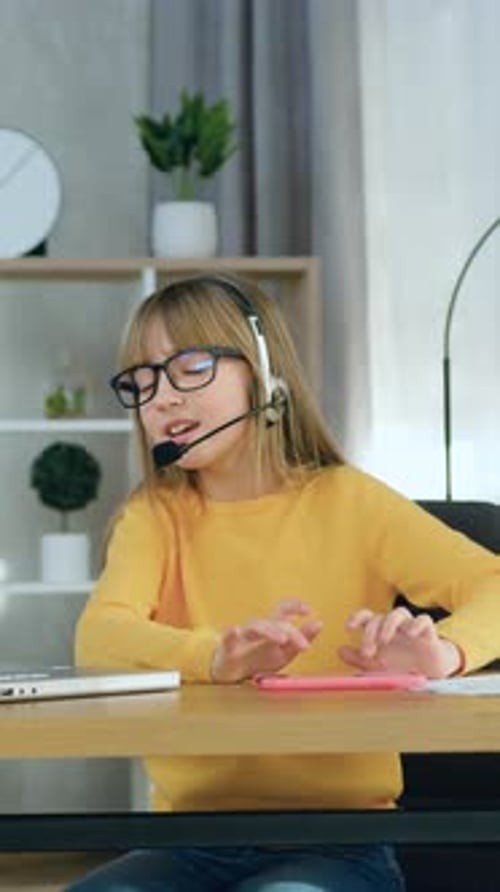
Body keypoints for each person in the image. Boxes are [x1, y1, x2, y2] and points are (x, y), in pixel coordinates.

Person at [67, 273, 500, 892]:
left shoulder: (351, 502)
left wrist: (445, 651)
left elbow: (495, 582)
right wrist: (212, 656)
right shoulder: (154, 516)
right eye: (142, 380)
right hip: (191, 841)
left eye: (190, 366)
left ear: (266, 374)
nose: (160, 398)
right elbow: (100, 636)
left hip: (341, 843)